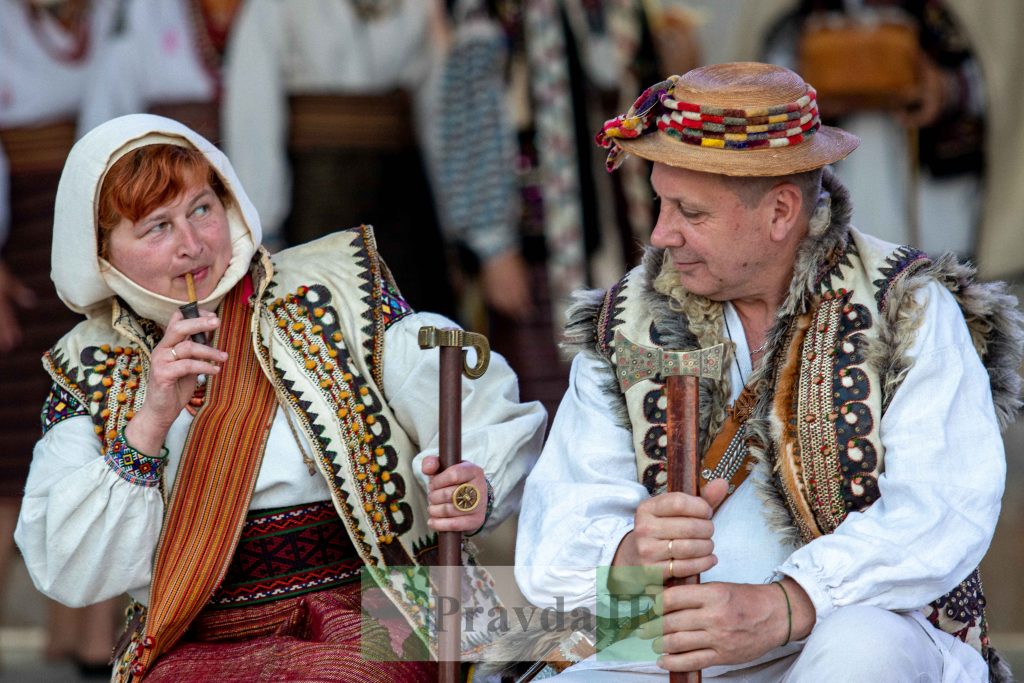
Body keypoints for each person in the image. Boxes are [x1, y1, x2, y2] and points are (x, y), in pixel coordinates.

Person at [515, 62, 1020, 681]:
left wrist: (786, 604)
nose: (660, 234)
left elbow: (945, 507)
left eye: (689, 212)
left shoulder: (906, 307)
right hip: (673, 627)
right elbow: (559, 525)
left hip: (850, 624)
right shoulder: (628, 319)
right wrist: (629, 552)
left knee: (865, 653)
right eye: (660, 203)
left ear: (780, 211)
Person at [14, 114, 546, 681]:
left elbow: (463, 387)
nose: (192, 245)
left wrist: (471, 483)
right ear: (103, 254)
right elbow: (69, 569)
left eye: (201, 208)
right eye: (157, 228)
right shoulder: (89, 366)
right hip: (196, 634)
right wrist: (149, 422)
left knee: (619, 619)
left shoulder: (334, 290)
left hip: (383, 604)